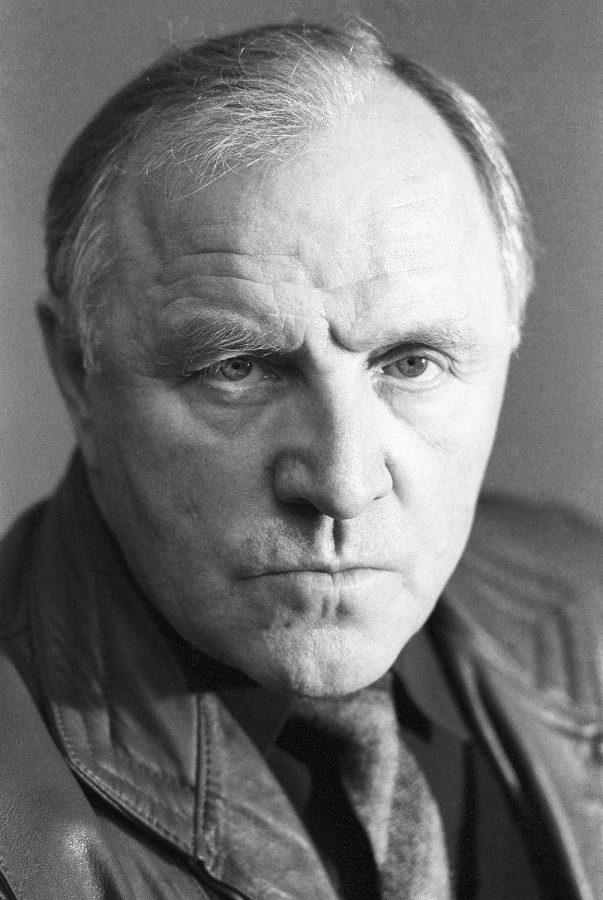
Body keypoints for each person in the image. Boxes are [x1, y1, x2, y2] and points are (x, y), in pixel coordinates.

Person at [0, 20, 601, 900]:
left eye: (412, 363)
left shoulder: (590, 601)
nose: (342, 483)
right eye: (237, 367)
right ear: (76, 374)